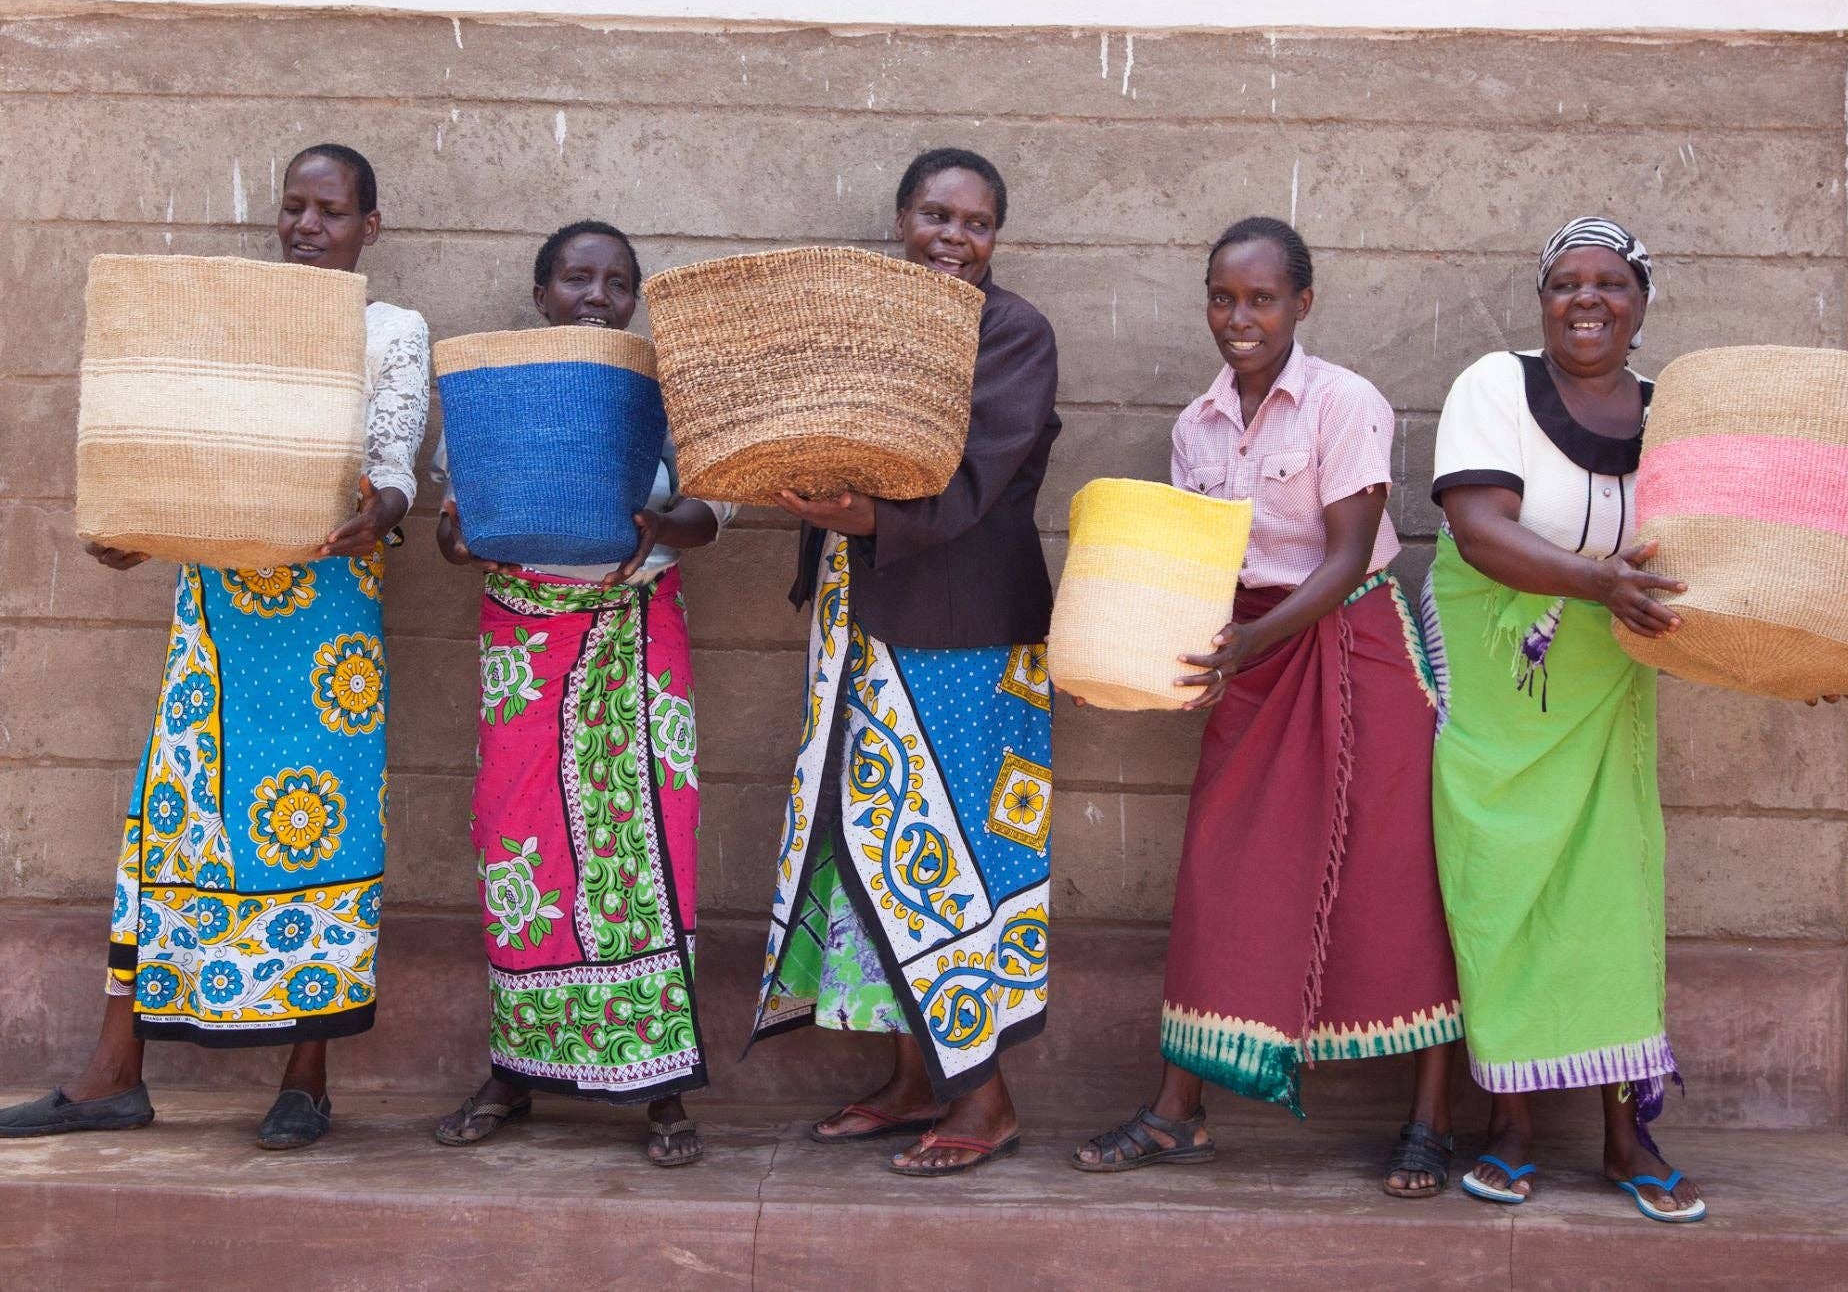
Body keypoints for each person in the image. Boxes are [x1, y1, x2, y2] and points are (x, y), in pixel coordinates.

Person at [0, 144, 429, 1150]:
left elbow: (398, 460)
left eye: (329, 210)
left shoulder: (389, 330)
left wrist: (388, 508)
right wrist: (132, 528)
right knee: (171, 821)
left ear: (372, 226)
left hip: (328, 625)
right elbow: (183, 456)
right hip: (216, 613)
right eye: (292, 207)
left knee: (320, 830)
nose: (305, 225)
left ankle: (306, 1080)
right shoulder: (236, 319)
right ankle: (112, 1074)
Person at [1068, 217, 1463, 1196]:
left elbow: (1343, 557)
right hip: (1247, 660)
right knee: (1220, 872)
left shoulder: (1344, 402)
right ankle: (1176, 1114)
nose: (1237, 319)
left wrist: (1250, 638)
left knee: (1398, 877)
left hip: (1356, 646)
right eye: (1221, 297)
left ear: (1301, 304)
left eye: (1260, 299)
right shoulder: (1194, 427)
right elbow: (1195, 565)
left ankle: (1428, 1119)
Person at [754, 147, 1061, 1176]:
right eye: (935, 215)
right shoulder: (869, 315)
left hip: (964, 627)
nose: (952, 238)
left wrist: (868, 514)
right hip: (862, 607)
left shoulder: (1014, 334)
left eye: (974, 225)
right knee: (866, 839)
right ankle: (909, 1073)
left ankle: (986, 1095)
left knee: (953, 848)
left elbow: (980, 470)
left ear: (995, 242)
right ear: (899, 218)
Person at [430, 221, 734, 1166]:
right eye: (576, 277)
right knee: (519, 849)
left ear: (637, 297)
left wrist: (665, 516)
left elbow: (713, 509)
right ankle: (518, 1069)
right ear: (540, 295)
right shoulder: (496, 388)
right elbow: (454, 523)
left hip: (636, 632)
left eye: (616, 281)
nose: (596, 294)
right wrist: (463, 536)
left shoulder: (670, 388)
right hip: (524, 636)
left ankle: (662, 1091)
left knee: (647, 848)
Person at [1428, 215, 1711, 1220]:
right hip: (1499, 673)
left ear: (1639, 304)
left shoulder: (1674, 409)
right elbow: (1476, 529)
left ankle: (1624, 1136)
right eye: (1563, 283)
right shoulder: (1490, 388)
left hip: (1608, 674)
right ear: (1539, 299)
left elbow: (1720, 546)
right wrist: (1599, 582)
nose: (1584, 300)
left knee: (1611, 896)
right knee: (1497, 883)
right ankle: (1508, 1127)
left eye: (1608, 284)